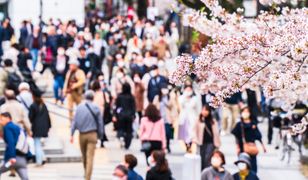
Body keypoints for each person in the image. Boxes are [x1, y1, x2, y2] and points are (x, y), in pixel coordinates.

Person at [70, 90, 104, 180]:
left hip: (81, 135)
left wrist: (71, 134)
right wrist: (100, 135)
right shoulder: (96, 108)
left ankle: (86, 174)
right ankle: (87, 177)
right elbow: (100, 123)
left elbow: (74, 121)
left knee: (84, 156)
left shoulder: (79, 107)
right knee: (90, 158)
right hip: (92, 134)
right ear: (93, 98)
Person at [231, 106, 266, 173]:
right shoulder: (239, 124)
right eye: (244, 112)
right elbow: (236, 136)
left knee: (253, 167)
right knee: (243, 166)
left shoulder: (253, 124)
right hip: (242, 148)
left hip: (251, 147)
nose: (245, 113)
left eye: (247, 112)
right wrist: (237, 146)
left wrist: (263, 146)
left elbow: (258, 136)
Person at [0, 112, 30, 180]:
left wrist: (12, 156)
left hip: (12, 158)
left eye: (1, 119)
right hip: (22, 158)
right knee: (25, 178)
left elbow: (11, 142)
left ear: (8, 118)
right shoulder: (17, 127)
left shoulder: (8, 127)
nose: (0, 121)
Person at [193, 105, 221, 170]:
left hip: (211, 142)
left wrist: (218, 143)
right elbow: (194, 130)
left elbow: (216, 133)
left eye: (206, 110)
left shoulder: (213, 121)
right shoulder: (198, 120)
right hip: (201, 142)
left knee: (208, 158)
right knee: (202, 158)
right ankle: (203, 173)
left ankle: (207, 171)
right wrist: (194, 140)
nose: (205, 112)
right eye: (203, 110)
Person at [28, 90, 51, 166]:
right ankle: (42, 158)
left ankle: (39, 161)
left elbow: (30, 118)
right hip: (44, 127)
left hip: (36, 128)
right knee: (38, 144)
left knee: (37, 144)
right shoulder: (43, 105)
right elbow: (47, 117)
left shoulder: (33, 106)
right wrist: (49, 126)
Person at [178, 84, 202, 152]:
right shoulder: (181, 98)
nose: (188, 91)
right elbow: (180, 104)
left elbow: (198, 108)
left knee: (192, 134)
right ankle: (186, 146)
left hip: (192, 118)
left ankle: (191, 146)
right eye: (187, 89)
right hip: (183, 118)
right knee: (184, 134)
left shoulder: (195, 98)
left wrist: (198, 117)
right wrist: (185, 97)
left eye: (190, 89)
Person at [114, 83, 136, 149]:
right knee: (129, 130)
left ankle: (121, 137)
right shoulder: (131, 97)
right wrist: (133, 115)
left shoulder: (119, 96)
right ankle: (127, 144)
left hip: (121, 115)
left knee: (121, 128)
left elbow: (117, 106)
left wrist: (115, 115)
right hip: (129, 116)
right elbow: (133, 107)